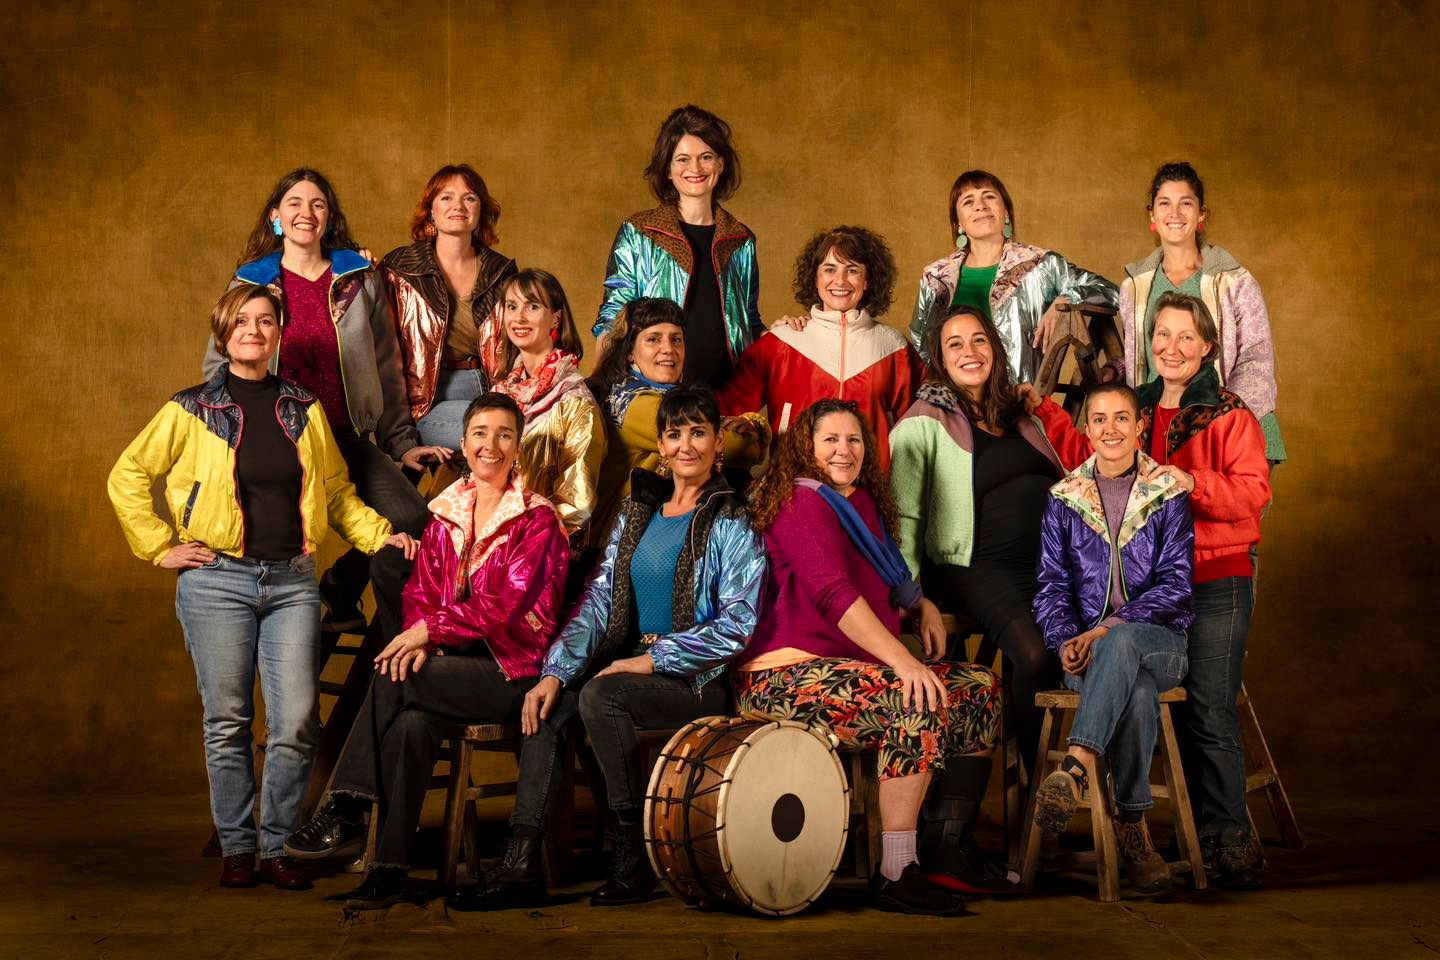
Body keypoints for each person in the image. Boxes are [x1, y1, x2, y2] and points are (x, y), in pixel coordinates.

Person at [109, 285, 416, 892]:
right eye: (241, 321)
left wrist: (384, 536)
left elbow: (336, 494)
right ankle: (238, 848)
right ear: (223, 334)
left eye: (265, 321)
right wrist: (159, 545)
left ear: (278, 333)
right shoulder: (190, 408)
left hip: (292, 583)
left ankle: (279, 846)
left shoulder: (303, 409)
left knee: (297, 718)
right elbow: (128, 475)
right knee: (228, 720)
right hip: (215, 581)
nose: (253, 330)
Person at [459, 386, 764, 910]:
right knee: (551, 705)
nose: (685, 445)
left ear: (718, 444)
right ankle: (520, 863)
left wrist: (650, 659)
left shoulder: (734, 521)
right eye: (674, 434)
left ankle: (635, 854)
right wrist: (555, 671)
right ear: (662, 448)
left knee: (603, 698)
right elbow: (599, 602)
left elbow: (737, 625)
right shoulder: (637, 513)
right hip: (628, 672)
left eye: (698, 433)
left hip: (696, 682)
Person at [283, 393, 570, 909]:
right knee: (411, 720)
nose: (491, 444)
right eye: (481, 433)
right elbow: (420, 594)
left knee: (396, 675)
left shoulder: (538, 521)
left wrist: (426, 635)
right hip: (448, 667)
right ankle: (388, 872)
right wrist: (422, 637)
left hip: (514, 672)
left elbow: (505, 608)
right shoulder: (446, 515)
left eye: (505, 434)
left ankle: (348, 804)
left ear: (518, 448)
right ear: (463, 444)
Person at [1031, 293, 1271, 886]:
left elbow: (1252, 493)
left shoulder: (1227, 414)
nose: (1172, 347)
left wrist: (1192, 482)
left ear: (1209, 347)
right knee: (1139, 685)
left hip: (1213, 575)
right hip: (1136, 606)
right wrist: (1036, 405)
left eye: (1187, 337)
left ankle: (1224, 834)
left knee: (1210, 710)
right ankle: (1141, 835)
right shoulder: (1133, 409)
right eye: (1162, 335)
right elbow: (1090, 454)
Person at [738, 400, 1000, 915]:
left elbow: (882, 582)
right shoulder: (800, 501)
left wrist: (920, 602)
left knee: (979, 690)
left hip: (851, 670)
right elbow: (835, 597)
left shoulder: (860, 504)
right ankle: (897, 871)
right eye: (830, 440)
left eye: (854, 440)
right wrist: (904, 662)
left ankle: (946, 846)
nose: (844, 450)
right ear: (805, 449)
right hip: (784, 675)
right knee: (914, 696)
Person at [203, 168, 440, 632]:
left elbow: (388, 364)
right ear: (276, 217)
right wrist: (231, 438)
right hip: (275, 444)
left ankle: (343, 587)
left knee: (414, 521)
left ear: (329, 218)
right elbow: (217, 369)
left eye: (317, 204)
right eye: (294, 203)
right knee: (269, 547)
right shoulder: (250, 284)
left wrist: (399, 442)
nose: (305, 212)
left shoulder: (358, 278)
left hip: (344, 438)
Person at [1031, 382, 1196, 895]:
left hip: (1160, 643)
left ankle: (1077, 766)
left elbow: (1176, 585)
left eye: (1121, 418)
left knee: (1124, 645)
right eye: (1099, 419)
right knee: (1137, 690)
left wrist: (1104, 629)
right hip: (1087, 655)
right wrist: (1064, 640)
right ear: (1085, 430)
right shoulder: (1065, 499)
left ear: (1140, 425)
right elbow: (1051, 586)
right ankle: (1133, 829)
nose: (1110, 429)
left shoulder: (1165, 491)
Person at [890, 306, 1064, 786]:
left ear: (995, 349)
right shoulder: (922, 421)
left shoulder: (1021, 418)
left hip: (1048, 567)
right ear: (940, 359)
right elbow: (903, 516)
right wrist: (910, 595)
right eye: (955, 344)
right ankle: (1037, 800)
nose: (970, 351)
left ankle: (1092, 797)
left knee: (1096, 650)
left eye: (979, 340)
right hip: (974, 565)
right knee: (1033, 654)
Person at [1118, 161, 1285, 463]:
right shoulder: (1134, 287)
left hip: (1229, 429)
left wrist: (1223, 423)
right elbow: (1140, 359)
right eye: (1165, 203)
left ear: (1201, 214)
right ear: (1152, 215)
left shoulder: (1234, 281)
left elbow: (1256, 358)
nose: (1175, 214)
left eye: (1186, 204)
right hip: (1160, 431)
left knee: (1221, 507)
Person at [719, 226, 923, 470]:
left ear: (868, 281)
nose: (840, 280)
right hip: (793, 489)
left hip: (868, 493)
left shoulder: (894, 349)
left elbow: (921, 428)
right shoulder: (781, 343)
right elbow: (725, 410)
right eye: (829, 269)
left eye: (852, 270)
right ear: (815, 278)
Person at [594, 104, 762, 387]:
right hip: (653, 393)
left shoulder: (741, 241)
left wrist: (786, 334)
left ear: (720, 164)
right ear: (668, 170)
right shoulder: (640, 233)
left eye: (705, 157)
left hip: (724, 395)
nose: (695, 168)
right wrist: (597, 389)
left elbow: (750, 323)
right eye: (682, 159)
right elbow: (614, 318)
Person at [586, 298, 767, 550]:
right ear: (629, 352)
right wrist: (752, 425)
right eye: (653, 339)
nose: (668, 348)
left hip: (662, 536)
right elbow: (738, 447)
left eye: (676, 339)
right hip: (622, 548)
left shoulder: (672, 397)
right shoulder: (633, 402)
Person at [908, 169, 1118, 383]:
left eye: (989, 196)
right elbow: (919, 344)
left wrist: (1066, 300)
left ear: (1006, 212)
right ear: (958, 223)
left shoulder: (1040, 264)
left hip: (1018, 401)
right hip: (952, 403)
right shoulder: (935, 277)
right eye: (968, 201)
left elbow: (1111, 291)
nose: (980, 205)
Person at [381, 163, 518, 451]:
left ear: (481, 210)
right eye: (446, 197)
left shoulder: (500, 270)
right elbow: (382, 352)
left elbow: (521, 339)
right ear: (430, 209)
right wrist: (398, 436)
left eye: (469, 198)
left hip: (493, 388)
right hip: (430, 397)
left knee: (539, 430)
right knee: (499, 437)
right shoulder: (400, 269)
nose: (459, 205)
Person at [489, 269, 606, 540]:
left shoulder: (575, 401)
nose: (519, 317)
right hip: (492, 534)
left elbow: (577, 502)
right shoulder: (500, 393)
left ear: (556, 317)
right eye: (512, 306)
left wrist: (524, 542)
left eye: (532, 306)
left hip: (540, 545)